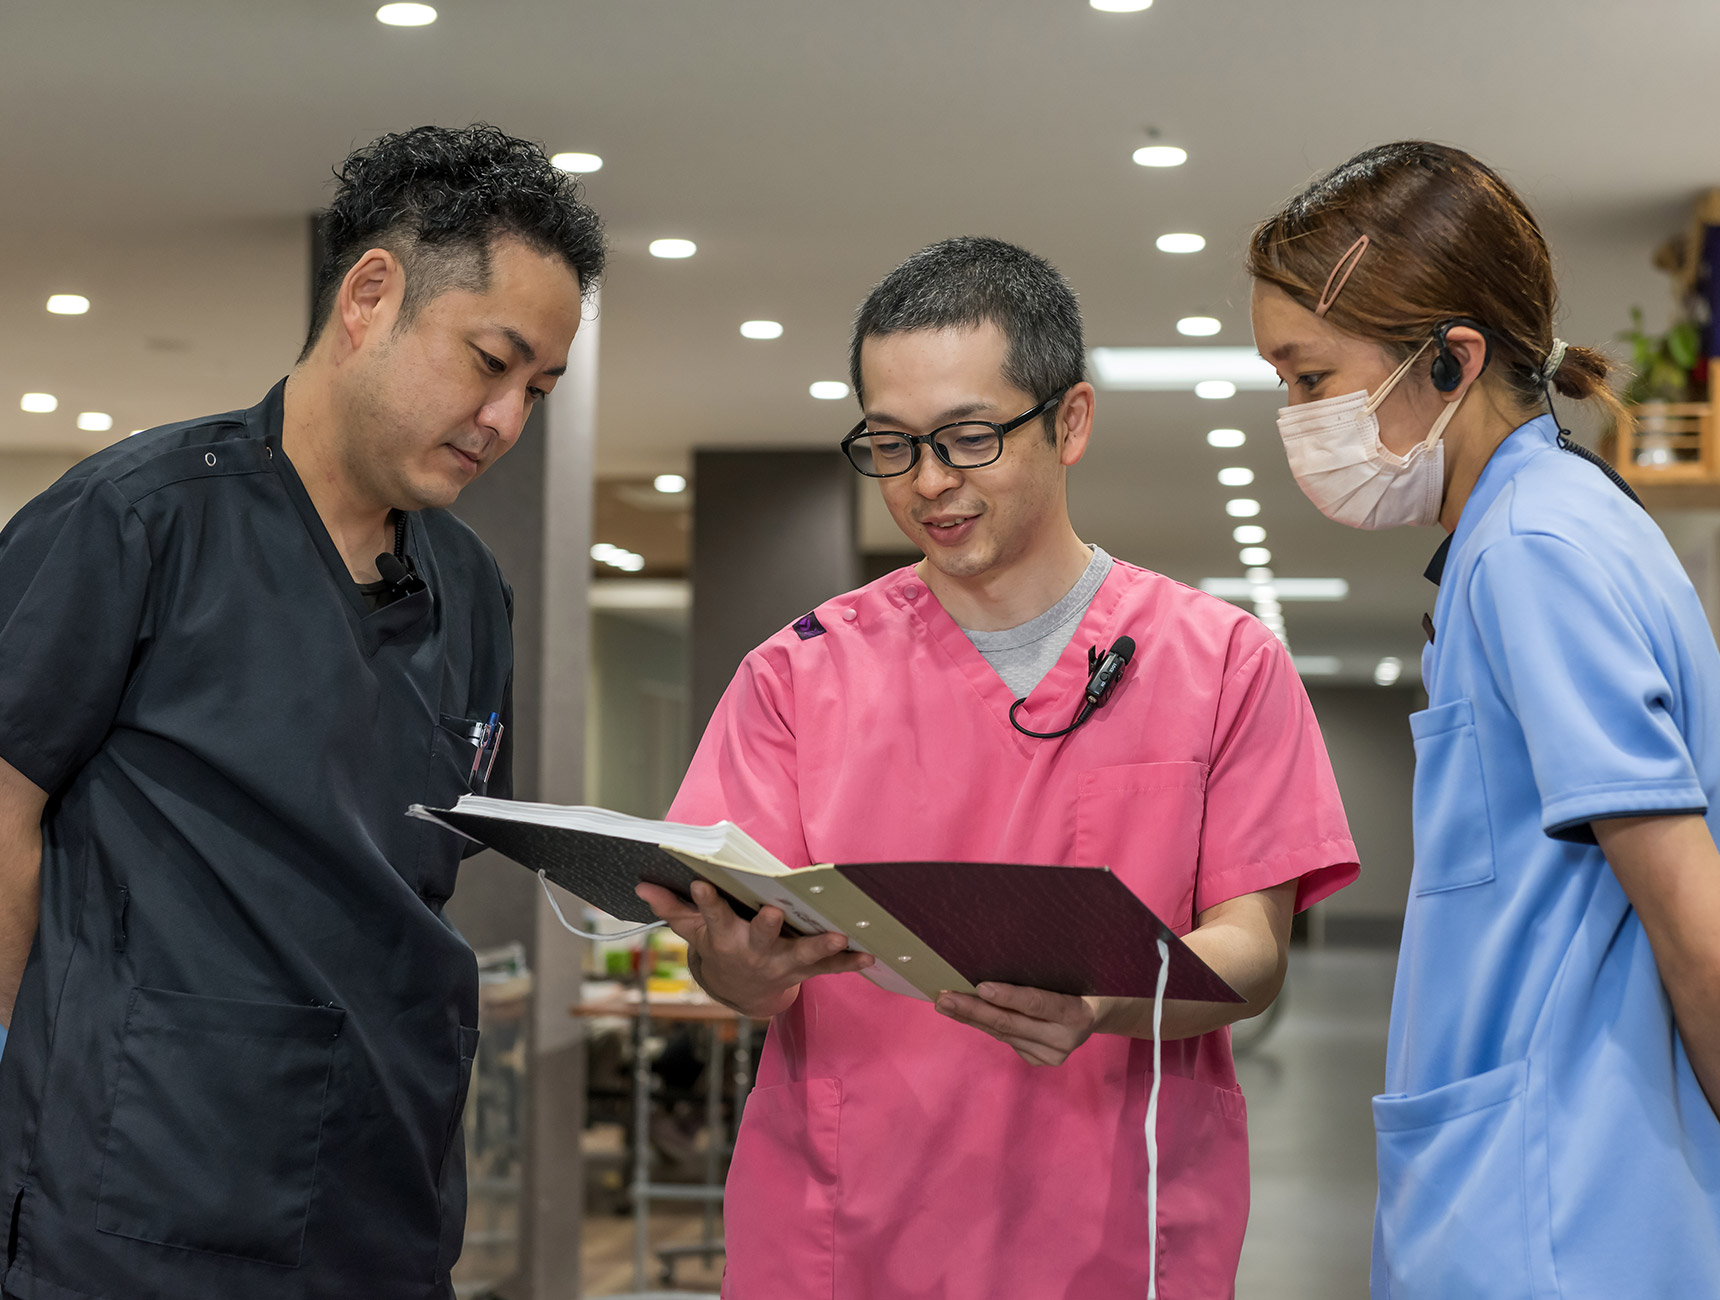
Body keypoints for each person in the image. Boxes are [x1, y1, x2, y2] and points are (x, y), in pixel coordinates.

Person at [637, 236, 1359, 1299]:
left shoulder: (1220, 665)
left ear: (1069, 421)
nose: (929, 483)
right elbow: (731, 956)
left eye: (969, 438)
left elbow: (1250, 955)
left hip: (1112, 1234)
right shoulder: (797, 674)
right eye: (890, 444)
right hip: (844, 1234)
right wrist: (735, 969)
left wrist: (1110, 1004)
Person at [0, 124, 604, 1300]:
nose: (506, 420)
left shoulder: (472, 589)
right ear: (370, 296)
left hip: (383, 1207)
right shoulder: (138, 522)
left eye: (538, 389)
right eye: (491, 361)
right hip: (135, 1210)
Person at [1247, 141, 1720, 1298]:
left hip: (1570, 1216)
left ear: (1452, 358)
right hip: (1554, 1198)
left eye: (1310, 378)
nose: (1294, 415)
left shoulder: (1532, 554)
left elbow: (1716, 953)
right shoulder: (1535, 531)